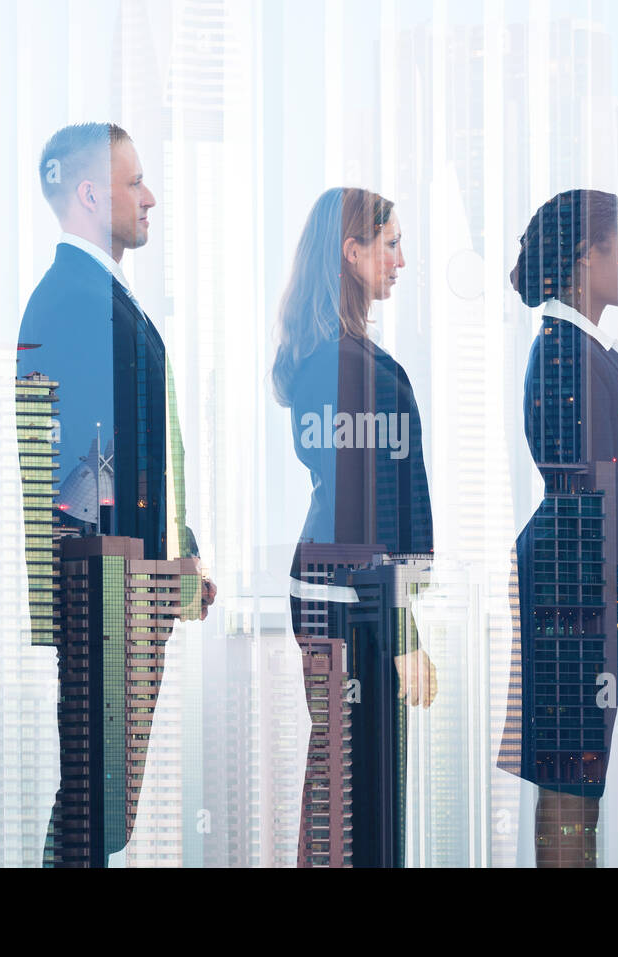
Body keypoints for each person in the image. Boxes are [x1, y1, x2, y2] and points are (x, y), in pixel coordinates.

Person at [18, 122, 214, 867]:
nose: (150, 197)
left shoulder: (95, 295)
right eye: (136, 183)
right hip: (107, 586)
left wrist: (178, 557)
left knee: (102, 804)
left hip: (125, 580)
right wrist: (145, 572)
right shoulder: (73, 300)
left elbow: (138, 448)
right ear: (92, 194)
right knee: (94, 807)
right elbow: (73, 470)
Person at [508, 189, 618, 868]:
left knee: (579, 773)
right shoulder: (568, 353)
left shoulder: (584, 348)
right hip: (572, 585)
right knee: (571, 776)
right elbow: (592, 493)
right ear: (587, 255)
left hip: (581, 582)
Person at [272, 187, 436, 867]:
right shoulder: (340, 364)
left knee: (353, 794)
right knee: (353, 801)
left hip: (350, 595)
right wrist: (401, 636)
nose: (402, 259)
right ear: (353, 250)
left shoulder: (347, 356)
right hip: (347, 600)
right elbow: (354, 520)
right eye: (391, 243)